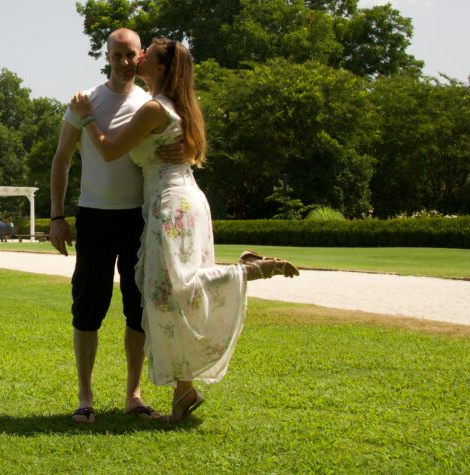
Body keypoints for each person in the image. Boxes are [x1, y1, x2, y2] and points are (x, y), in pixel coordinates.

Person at [70, 37, 299, 422]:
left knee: (172, 291)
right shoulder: (174, 105)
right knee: (168, 296)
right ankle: (184, 392)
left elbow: (109, 150)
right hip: (184, 201)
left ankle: (243, 270)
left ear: (160, 69)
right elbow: (184, 148)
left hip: (169, 207)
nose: (137, 58)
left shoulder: (154, 108)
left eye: (146, 55)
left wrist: (86, 116)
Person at [50, 28, 161, 423]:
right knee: (88, 309)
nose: (125, 62)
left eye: (131, 55)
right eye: (117, 55)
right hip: (93, 216)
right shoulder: (84, 102)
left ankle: (134, 394)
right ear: (107, 56)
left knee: (137, 308)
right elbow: (61, 160)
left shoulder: (149, 103)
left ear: (140, 55)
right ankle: (85, 396)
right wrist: (58, 216)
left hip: (137, 217)